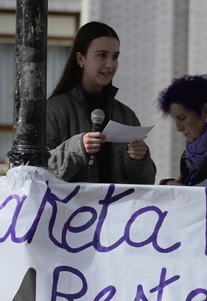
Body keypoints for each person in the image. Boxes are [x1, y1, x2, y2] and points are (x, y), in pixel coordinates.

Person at [45, 21, 156, 184]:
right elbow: (37, 171)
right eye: (102, 55)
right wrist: (77, 149)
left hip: (116, 201)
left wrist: (138, 160)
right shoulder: (54, 110)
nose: (110, 64)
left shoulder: (126, 115)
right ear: (80, 58)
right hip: (74, 202)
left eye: (115, 56)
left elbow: (147, 183)